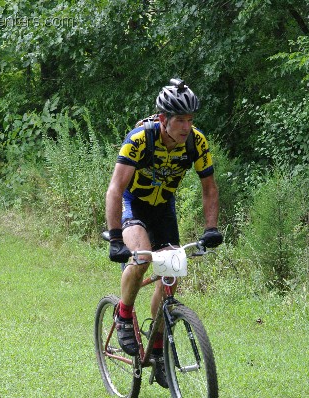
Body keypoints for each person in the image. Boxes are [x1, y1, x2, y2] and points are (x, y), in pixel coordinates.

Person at [105, 78, 223, 388]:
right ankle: (123, 313)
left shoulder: (197, 143)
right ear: (163, 119)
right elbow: (116, 189)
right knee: (141, 258)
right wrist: (115, 237)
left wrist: (211, 229)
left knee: (171, 273)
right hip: (133, 206)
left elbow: (209, 188)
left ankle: (158, 354)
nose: (187, 126)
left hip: (163, 209)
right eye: (180, 120)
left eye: (190, 119)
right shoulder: (140, 140)